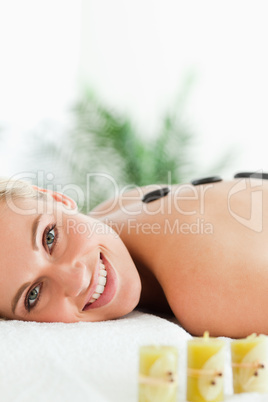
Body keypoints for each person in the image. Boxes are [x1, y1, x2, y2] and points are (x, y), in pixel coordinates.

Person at [0, 173, 267, 338]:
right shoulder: (112, 210)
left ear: (58, 198)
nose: (77, 279)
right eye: (33, 295)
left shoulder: (202, 285)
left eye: (49, 237)